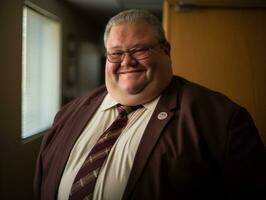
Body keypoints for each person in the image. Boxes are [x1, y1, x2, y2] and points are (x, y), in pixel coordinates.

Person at [34, 9, 266, 200]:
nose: (127, 61)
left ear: (166, 51)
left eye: (140, 50)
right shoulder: (69, 113)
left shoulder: (222, 119)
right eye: (116, 53)